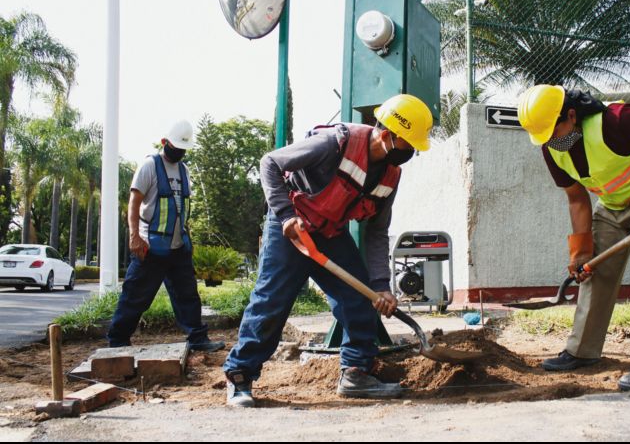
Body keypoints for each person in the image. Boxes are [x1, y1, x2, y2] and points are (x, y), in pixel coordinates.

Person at [223, 94, 433, 407]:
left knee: (360, 300)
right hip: (292, 228)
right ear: (389, 135)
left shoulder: (391, 175)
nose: (411, 152)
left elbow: (377, 231)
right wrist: (284, 215)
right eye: (409, 144)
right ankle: (240, 376)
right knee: (271, 303)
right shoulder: (336, 142)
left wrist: (379, 286)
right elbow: (271, 162)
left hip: (330, 233)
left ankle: (355, 373)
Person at [518, 85, 630, 391]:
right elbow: (577, 199)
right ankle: (582, 351)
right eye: (544, 135)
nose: (551, 139)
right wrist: (580, 251)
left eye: (554, 129)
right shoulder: (551, 149)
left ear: (572, 115)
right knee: (595, 273)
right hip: (613, 203)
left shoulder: (617, 120)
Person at [107, 120, 225, 353]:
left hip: (178, 247)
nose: (179, 152)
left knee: (187, 295)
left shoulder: (184, 171)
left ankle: (197, 339)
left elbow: (180, 207)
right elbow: (134, 202)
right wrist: (134, 236)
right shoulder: (149, 166)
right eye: (176, 146)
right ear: (164, 142)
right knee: (135, 295)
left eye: (183, 148)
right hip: (150, 247)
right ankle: (118, 340)